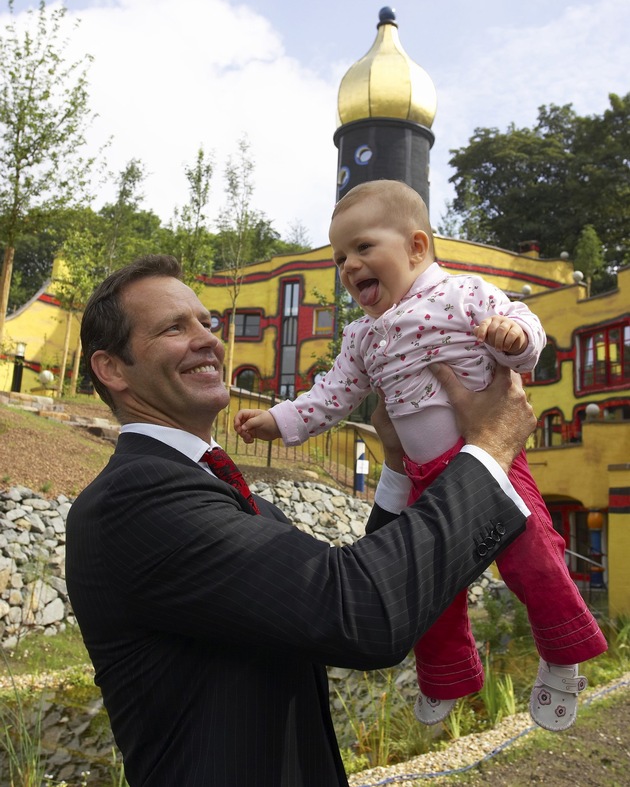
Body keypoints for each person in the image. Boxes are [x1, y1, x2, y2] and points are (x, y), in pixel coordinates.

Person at [66, 253, 535, 787]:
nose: (209, 340)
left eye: (207, 323)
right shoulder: (134, 499)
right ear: (112, 369)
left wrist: (400, 466)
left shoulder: (239, 502)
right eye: (174, 327)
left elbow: (364, 592)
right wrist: (492, 448)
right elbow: (360, 612)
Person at [235, 180, 607, 732]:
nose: (349, 266)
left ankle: (562, 653)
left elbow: (527, 330)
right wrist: (279, 421)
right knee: (432, 588)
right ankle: (447, 677)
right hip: (421, 477)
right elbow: (331, 394)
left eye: (363, 248)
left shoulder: (462, 295)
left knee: (533, 555)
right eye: (340, 258)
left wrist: (511, 338)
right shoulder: (362, 336)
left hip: (492, 458)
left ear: (415, 247)